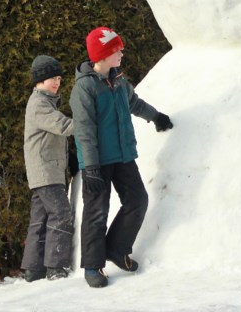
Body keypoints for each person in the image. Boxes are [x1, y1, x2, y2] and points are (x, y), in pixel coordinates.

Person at [70, 27, 174, 288]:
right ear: (104, 55)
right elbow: (83, 131)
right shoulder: (85, 89)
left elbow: (134, 103)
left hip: (123, 156)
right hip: (98, 162)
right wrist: (90, 166)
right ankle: (93, 267)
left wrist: (156, 117)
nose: (121, 53)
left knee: (138, 200)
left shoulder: (118, 80)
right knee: (97, 212)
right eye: (117, 50)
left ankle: (116, 248)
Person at [20, 55, 75, 282]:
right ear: (39, 81)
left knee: (39, 219)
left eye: (59, 78)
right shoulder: (40, 104)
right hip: (46, 171)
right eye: (51, 78)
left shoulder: (43, 102)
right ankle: (55, 267)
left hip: (43, 170)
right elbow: (62, 126)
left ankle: (33, 268)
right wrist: (90, 123)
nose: (57, 82)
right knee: (61, 213)